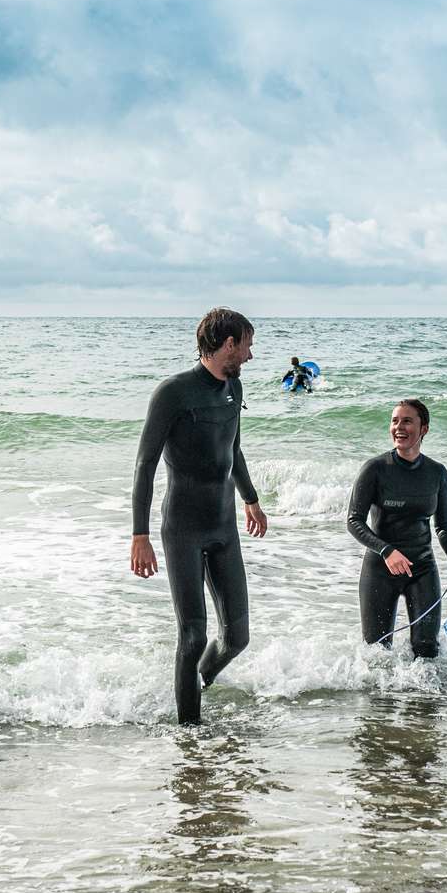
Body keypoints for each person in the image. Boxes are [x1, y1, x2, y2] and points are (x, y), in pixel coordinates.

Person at [131, 308, 269, 724]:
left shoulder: (234, 388)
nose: (249, 355)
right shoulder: (173, 392)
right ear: (229, 343)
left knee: (237, 637)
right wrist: (140, 535)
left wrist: (251, 498)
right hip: (183, 528)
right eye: (247, 345)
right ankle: (190, 733)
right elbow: (145, 464)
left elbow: (234, 448)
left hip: (223, 526)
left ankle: (194, 685)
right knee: (193, 635)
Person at [345, 399, 447, 658]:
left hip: (422, 568)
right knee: (377, 654)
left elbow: (444, 523)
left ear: (424, 429)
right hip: (380, 570)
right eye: (394, 421)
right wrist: (386, 551)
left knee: (427, 650)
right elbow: (354, 520)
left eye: (407, 421)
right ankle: (379, 700)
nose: (398, 427)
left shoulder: (437, 473)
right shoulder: (375, 469)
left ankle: (425, 700)